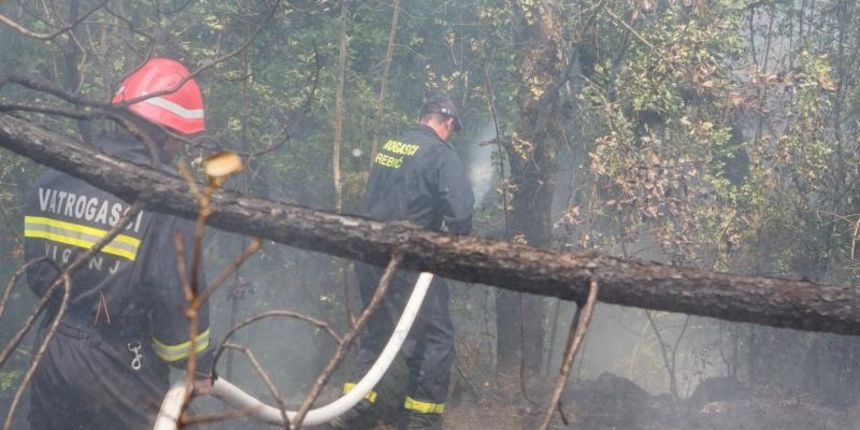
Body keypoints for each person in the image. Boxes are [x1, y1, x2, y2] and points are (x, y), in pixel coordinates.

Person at [23, 58, 214, 430]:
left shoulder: (56, 174)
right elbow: (176, 297)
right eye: (181, 138)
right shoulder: (165, 197)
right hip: (120, 362)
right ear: (170, 134)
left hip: (51, 347)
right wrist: (196, 364)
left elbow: (36, 270)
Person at [332, 94, 475, 430]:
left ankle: (356, 408)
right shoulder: (441, 153)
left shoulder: (392, 146)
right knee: (435, 336)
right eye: (453, 127)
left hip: (368, 255)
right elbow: (461, 212)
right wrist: (456, 237)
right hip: (408, 261)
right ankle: (421, 420)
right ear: (448, 122)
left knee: (376, 327)